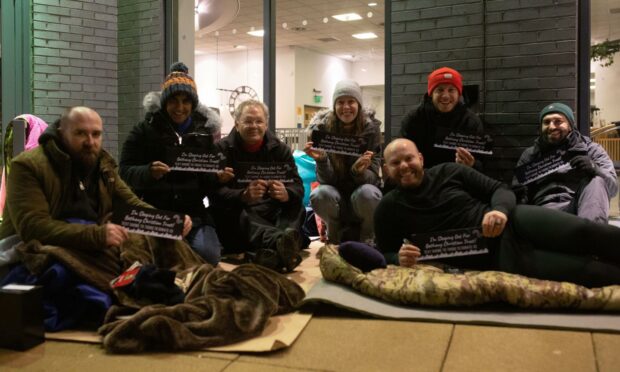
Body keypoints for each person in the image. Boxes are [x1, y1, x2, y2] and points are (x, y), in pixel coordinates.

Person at [375, 138, 620, 287]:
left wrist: (500, 211)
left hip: (515, 221)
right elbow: (383, 252)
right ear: (386, 169)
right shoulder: (388, 207)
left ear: (420, 158)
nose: (404, 167)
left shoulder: (450, 171)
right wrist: (398, 258)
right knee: (588, 271)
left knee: (585, 231)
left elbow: (500, 189)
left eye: (409, 158)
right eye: (395, 163)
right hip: (498, 257)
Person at [0, 106, 193, 252]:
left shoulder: (103, 165)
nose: (90, 142)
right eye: (80, 133)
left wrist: (170, 223)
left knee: (171, 250)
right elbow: (33, 227)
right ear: (61, 133)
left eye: (96, 134)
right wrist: (97, 235)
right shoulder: (26, 166)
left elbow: (130, 203)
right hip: (34, 252)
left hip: (89, 244)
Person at [119, 62, 226, 265]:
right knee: (149, 259)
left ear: (193, 104)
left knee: (209, 255)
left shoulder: (204, 134)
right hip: (154, 213)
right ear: (164, 102)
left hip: (194, 215)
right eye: (174, 101)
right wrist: (148, 172)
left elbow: (208, 180)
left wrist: (217, 177)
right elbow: (124, 170)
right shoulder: (143, 130)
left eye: (186, 101)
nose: (180, 107)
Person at [212, 99, 305, 273]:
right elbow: (214, 192)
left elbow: (298, 186)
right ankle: (281, 243)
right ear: (237, 123)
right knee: (231, 213)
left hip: (272, 211)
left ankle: (274, 250)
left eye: (259, 121)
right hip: (241, 212)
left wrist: (287, 193)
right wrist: (243, 195)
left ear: (266, 124)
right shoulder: (221, 149)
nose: (254, 126)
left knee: (297, 206)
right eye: (248, 121)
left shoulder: (281, 149)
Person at [304, 79, 382, 244]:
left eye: (351, 101)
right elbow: (326, 181)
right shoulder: (322, 130)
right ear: (334, 106)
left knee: (369, 192)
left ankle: (368, 238)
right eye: (340, 102)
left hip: (360, 196)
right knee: (320, 193)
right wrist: (323, 161)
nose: (346, 107)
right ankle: (334, 238)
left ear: (358, 104)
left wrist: (358, 171)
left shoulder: (371, 131)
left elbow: (374, 179)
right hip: (335, 197)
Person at [514, 102, 617, 224]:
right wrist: (520, 194)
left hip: (579, 212)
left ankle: (590, 237)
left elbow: (613, 188)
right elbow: (517, 190)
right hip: (542, 213)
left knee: (597, 180)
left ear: (570, 125)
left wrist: (595, 169)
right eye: (546, 122)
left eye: (558, 121)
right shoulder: (530, 154)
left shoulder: (591, 150)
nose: (552, 127)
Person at [400, 67, 484, 170]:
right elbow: (402, 155)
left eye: (451, 90)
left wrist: (472, 164)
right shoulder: (414, 118)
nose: (445, 95)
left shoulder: (471, 121)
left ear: (458, 94)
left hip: (459, 180)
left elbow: (482, 163)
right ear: (431, 94)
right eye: (440, 90)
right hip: (422, 180)